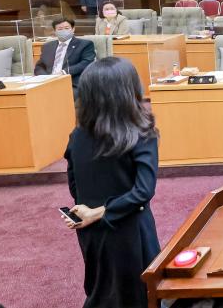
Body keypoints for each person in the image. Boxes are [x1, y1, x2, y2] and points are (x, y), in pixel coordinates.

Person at [61, 57, 160, 308]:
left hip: (90, 230)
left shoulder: (77, 135)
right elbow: (143, 191)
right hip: (131, 229)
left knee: (100, 291)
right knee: (140, 294)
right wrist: (102, 211)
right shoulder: (140, 133)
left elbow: (74, 186)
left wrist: (90, 211)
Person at [34, 18, 96, 89]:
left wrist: (64, 72)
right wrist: (46, 77)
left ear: (73, 29)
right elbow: (39, 66)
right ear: (55, 31)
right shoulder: (47, 46)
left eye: (66, 28)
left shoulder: (85, 44)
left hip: (72, 83)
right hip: (48, 83)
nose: (63, 31)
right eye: (60, 29)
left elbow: (86, 63)